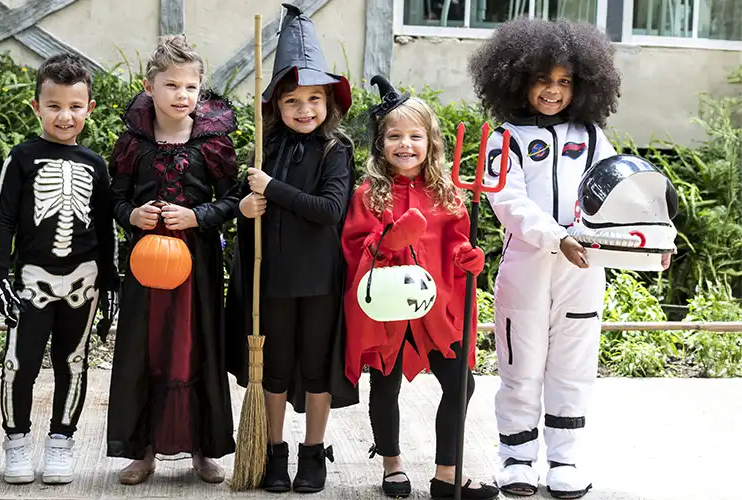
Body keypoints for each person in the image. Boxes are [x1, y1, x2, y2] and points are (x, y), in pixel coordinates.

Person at [467, 18, 664, 499]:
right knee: (521, 366)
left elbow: (625, 198)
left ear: (583, 85)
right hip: (527, 270)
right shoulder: (504, 138)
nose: (553, 91)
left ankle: (565, 458)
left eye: (564, 81)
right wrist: (558, 238)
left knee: (573, 367)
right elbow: (509, 203)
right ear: (517, 79)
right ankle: (516, 457)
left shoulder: (593, 137)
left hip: (583, 271)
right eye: (542, 79)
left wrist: (653, 244)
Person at [341, 75, 499, 500]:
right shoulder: (368, 195)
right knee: (385, 383)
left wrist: (470, 260)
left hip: (436, 309)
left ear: (431, 143)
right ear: (381, 143)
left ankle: (446, 475)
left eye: (415, 136)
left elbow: (457, 246)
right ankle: (392, 465)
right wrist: (385, 243)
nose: (405, 145)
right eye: (394, 136)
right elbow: (354, 247)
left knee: (460, 383)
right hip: (389, 309)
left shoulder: (448, 195)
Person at [225, 3, 359, 494]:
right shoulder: (266, 150)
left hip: (320, 280)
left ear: (328, 103)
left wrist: (273, 190)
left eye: (314, 99)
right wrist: (247, 209)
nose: (304, 110)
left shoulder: (335, 150)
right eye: (292, 101)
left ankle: (312, 452)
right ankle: (275, 452)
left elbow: (328, 210)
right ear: (276, 108)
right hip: (274, 280)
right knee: (275, 370)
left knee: (316, 366)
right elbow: (250, 223)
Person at [106, 35, 238, 486]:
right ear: (149, 87)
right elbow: (113, 199)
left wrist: (197, 215)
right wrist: (133, 216)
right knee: (146, 347)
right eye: (172, 86)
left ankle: (203, 447)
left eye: (191, 87)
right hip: (145, 265)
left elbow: (233, 199)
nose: (182, 96)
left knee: (195, 346)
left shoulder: (213, 143)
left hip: (196, 263)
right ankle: (142, 450)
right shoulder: (133, 142)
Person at [0, 53, 119, 485]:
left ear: (89, 109)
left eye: (75, 106)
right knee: (18, 364)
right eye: (54, 106)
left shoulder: (95, 164)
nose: (65, 116)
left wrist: (112, 278)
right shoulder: (21, 157)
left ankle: (62, 440)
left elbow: (104, 224)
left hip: (84, 280)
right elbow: (2, 217)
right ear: (36, 107)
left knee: (73, 363)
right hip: (32, 280)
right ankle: (17, 442)